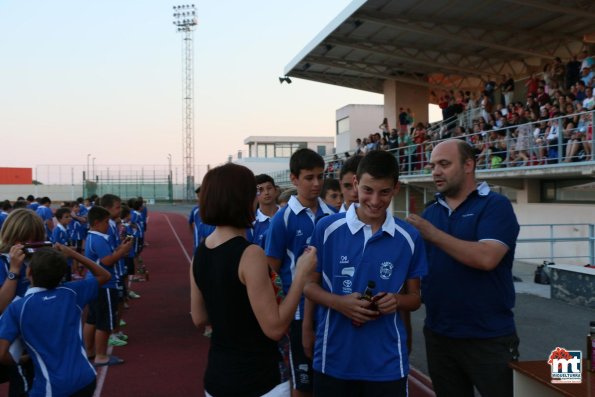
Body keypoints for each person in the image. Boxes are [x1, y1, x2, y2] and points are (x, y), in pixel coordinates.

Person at [303, 150, 427, 397]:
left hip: (387, 364)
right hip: (334, 359)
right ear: (356, 184)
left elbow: (415, 298)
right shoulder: (327, 229)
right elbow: (307, 286)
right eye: (368, 190)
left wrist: (397, 301)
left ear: (396, 189)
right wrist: (340, 303)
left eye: (384, 192)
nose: (374, 200)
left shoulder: (409, 237)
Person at [190, 163, 317, 397]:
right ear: (244, 199)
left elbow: (199, 318)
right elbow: (275, 328)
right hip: (258, 379)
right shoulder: (250, 254)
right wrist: (300, 274)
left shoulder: (200, 252)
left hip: (217, 377)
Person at [406, 139, 520, 397]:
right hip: (439, 336)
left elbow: (487, 258)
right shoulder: (430, 213)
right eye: (433, 165)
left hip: (488, 337)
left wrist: (432, 234)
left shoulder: (495, 205)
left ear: (469, 165)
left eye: (444, 164)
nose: (435, 171)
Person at [266, 148, 336, 397]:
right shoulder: (282, 219)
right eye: (309, 177)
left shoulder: (333, 216)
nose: (316, 183)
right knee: (303, 385)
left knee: (330, 380)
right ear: (294, 179)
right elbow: (271, 269)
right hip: (296, 315)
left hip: (330, 310)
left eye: (320, 176)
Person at [0, 245, 111, 397]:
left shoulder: (17, 308)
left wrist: (20, 359)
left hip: (52, 388)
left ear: (29, 272)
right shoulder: (72, 292)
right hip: (85, 378)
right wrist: (72, 254)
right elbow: (104, 275)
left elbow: (1, 353)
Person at [82, 205, 132, 367]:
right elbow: (107, 261)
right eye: (105, 222)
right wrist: (123, 250)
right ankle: (101, 356)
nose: (107, 226)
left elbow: (106, 255)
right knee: (104, 322)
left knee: (92, 319)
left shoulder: (92, 237)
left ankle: (89, 351)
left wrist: (119, 247)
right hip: (104, 284)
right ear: (96, 222)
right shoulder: (98, 238)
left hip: (94, 283)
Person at [251, 174, 279, 249]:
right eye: (260, 190)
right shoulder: (251, 223)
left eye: (269, 188)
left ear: (276, 191)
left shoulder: (288, 216)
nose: (266, 192)